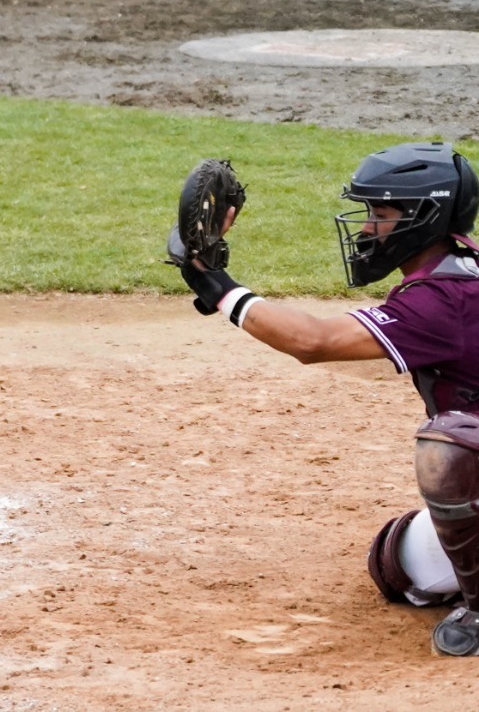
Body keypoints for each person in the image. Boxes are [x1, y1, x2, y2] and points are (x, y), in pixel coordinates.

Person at [175, 142, 479, 657]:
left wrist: (216, 285)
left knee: (449, 443)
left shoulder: (442, 302)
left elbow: (312, 341)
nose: (366, 230)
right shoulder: (463, 273)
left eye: (379, 216)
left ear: (425, 218)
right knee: (395, 563)